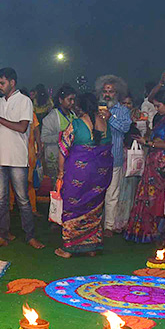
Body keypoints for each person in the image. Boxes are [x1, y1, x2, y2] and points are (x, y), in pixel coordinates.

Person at [0, 67, 41, 249]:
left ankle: (30, 236)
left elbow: (23, 127)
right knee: (0, 199)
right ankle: (3, 235)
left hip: (17, 157)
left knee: (22, 199)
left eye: (2, 83)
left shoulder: (24, 101)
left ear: (12, 82)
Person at [55, 93, 112, 257]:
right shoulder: (105, 123)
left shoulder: (76, 124)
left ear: (79, 107)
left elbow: (63, 149)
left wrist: (60, 173)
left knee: (73, 207)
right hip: (100, 175)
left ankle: (69, 248)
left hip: (78, 174)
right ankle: (91, 246)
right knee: (95, 207)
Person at [125, 91, 165, 244]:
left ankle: (156, 233)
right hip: (155, 162)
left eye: (158, 106)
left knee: (157, 198)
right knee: (151, 197)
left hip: (162, 164)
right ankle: (150, 232)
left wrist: (148, 143)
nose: (156, 109)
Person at [95, 76, 133, 234]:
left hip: (115, 158)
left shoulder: (123, 111)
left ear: (117, 93)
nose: (107, 94)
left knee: (112, 194)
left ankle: (109, 226)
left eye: (110, 91)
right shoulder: (95, 109)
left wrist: (111, 118)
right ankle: (93, 224)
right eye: (104, 91)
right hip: (97, 159)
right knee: (96, 193)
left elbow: (125, 129)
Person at [40, 85, 75, 201]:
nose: (72, 102)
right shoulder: (52, 117)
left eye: (73, 99)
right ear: (60, 100)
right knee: (58, 186)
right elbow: (44, 137)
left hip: (70, 158)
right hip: (54, 158)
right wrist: (62, 137)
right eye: (69, 99)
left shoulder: (72, 114)